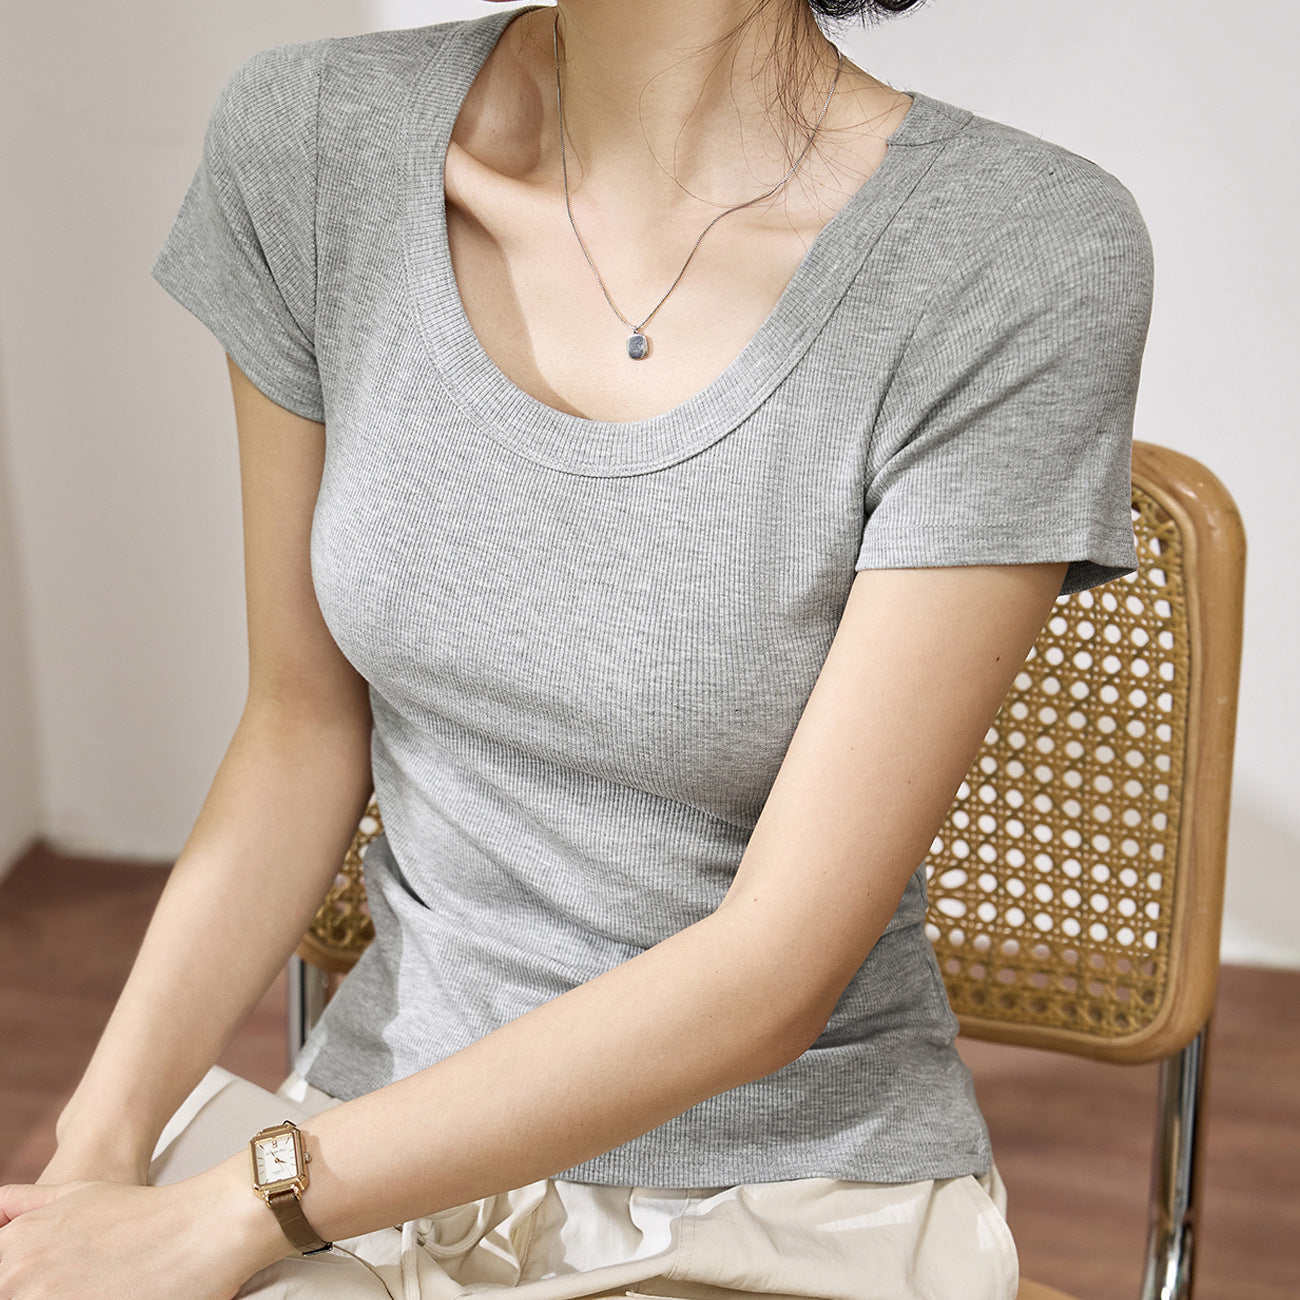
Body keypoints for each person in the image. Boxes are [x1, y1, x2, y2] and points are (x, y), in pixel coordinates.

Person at [0, 0, 1154, 1294]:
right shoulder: (317, 139)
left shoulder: (1012, 248)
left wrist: (245, 1204)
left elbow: (772, 969)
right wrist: (94, 1155)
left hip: (772, 1190)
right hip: (374, 1141)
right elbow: (299, 727)